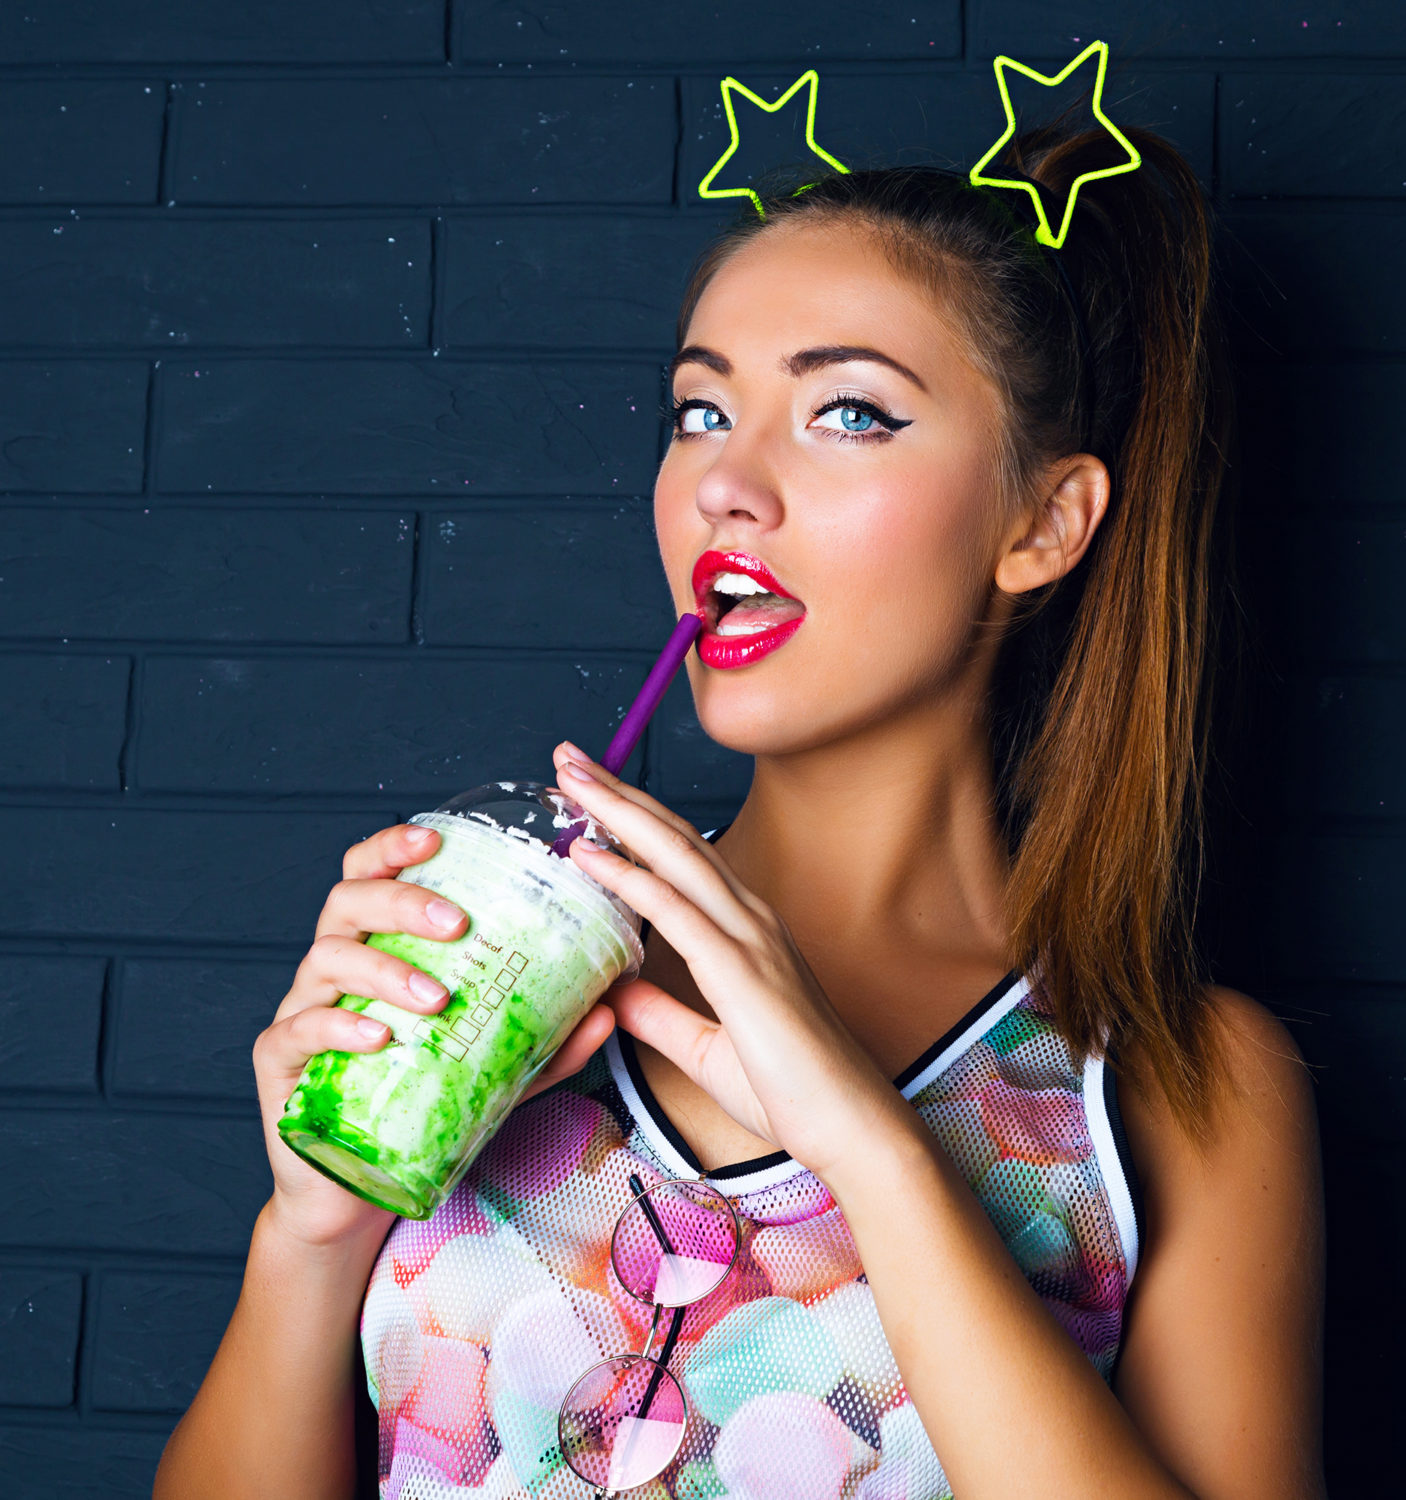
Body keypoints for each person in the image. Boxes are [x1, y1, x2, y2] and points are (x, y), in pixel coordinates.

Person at [155, 122, 1326, 1500]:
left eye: (849, 414)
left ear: (1044, 522)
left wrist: (872, 1156)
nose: (724, 484)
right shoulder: (508, 979)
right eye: (701, 413)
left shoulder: (1178, 1088)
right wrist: (311, 1238)